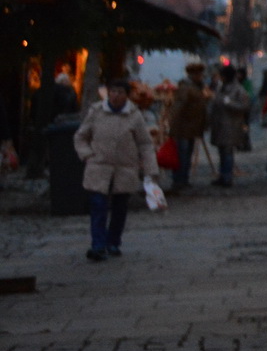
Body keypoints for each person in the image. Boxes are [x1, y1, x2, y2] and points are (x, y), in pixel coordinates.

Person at [73, 79, 158, 260]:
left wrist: (150, 170)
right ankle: (98, 245)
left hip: (124, 168)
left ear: (126, 95)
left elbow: (145, 144)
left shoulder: (134, 115)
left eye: (120, 92)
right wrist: (88, 154)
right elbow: (81, 136)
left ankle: (113, 242)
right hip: (99, 166)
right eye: (112, 91)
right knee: (98, 205)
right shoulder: (96, 111)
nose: (115, 95)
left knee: (120, 207)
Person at [165, 61, 210, 192]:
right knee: (182, 155)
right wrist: (173, 124)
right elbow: (179, 107)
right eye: (199, 74)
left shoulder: (197, 87)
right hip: (183, 127)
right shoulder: (186, 88)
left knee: (187, 154)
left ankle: (183, 179)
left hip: (192, 127)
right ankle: (179, 180)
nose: (201, 76)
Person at [207, 64, 251, 187]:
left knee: (227, 152)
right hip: (220, 125)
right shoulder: (221, 88)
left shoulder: (238, 89)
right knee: (222, 151)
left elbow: (244, 106)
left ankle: (227, 177)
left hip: (231, 125)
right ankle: (223, 175)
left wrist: (229, 103)